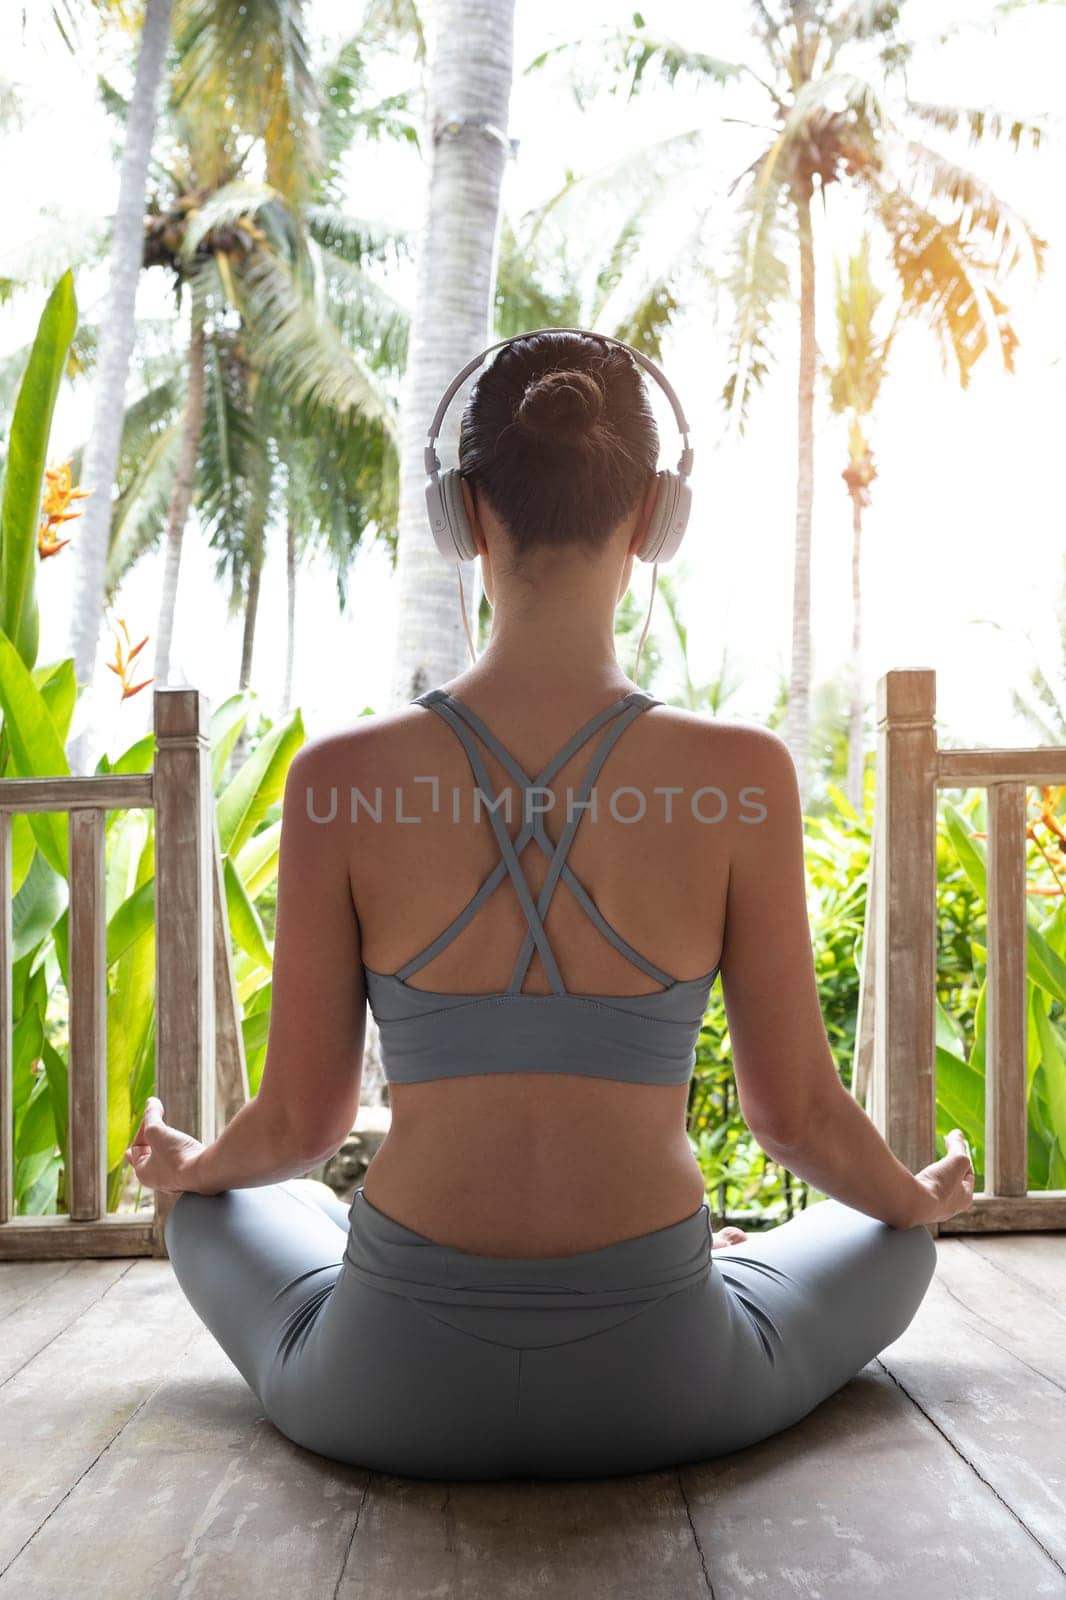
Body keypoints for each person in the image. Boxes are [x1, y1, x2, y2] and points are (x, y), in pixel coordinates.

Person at [133, 329, 974, 1482]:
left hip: (384, 1392)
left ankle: (336, 1251)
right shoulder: (741, 774)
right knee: (893, 1241)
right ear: (652, 519)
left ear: (462, 515)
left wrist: (188, 1168)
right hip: (670, 1384)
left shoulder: (337, 779)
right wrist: (914, 1196)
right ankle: (727, 1263)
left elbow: (299, 1131)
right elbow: (796, 1121)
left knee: (211, 1210)